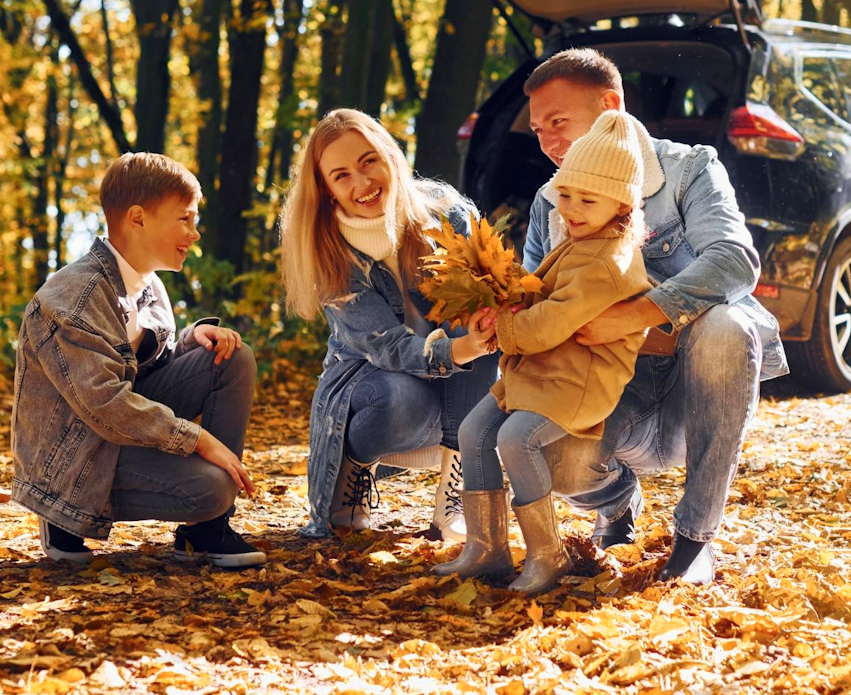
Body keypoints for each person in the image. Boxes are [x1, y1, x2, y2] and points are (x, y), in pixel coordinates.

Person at [522, 49, 789, 583]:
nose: (549, 141)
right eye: (537, 129)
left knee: (725, 325)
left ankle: (694, 543)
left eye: (558, 122)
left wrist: (634, 315)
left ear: (610, 107)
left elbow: (735, 261)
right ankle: (617, 502)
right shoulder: (550, 202)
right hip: (608, 390)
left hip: (694, 397)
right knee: (549, 458)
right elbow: (533, 302)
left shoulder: (689, 169)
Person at [433, 111, 652, 594]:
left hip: (578, 380)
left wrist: (505, 329)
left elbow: (552, 322)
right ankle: (487, 546)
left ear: (622, 205)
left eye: (586, 199)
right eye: (566, 194)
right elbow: (541, 297)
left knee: (516, 440)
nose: (571, 208)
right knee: (474, 430)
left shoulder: (609, 260)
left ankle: (546, 554)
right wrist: (503, 306)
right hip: (542, 368)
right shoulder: (582, 239)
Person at [12, 153, 264, 569]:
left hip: (116, 433)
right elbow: (106, 403)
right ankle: (64, 517)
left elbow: (146, 369)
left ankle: (205, 532)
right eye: (185, 219)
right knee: (211, 488)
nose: (195, 234)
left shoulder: (149, 285)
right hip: (74, 460)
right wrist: (199, 441)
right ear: (138, 218)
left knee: (230, 358)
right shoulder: (73, 299)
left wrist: (190, 341)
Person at [280, 109, 498, 540]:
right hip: (379, 390)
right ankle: (355, 467)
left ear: (390, 157)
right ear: (327, 192)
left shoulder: (445, 212)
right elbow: (388, 348)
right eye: (341, 176)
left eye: (368, 162)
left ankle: (456, 496)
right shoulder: (330, 253)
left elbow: (491, 290)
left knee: (472, 317)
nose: (362, 183)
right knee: (396, 395)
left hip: (461, 393)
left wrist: (480, 331)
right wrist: (463, 349)